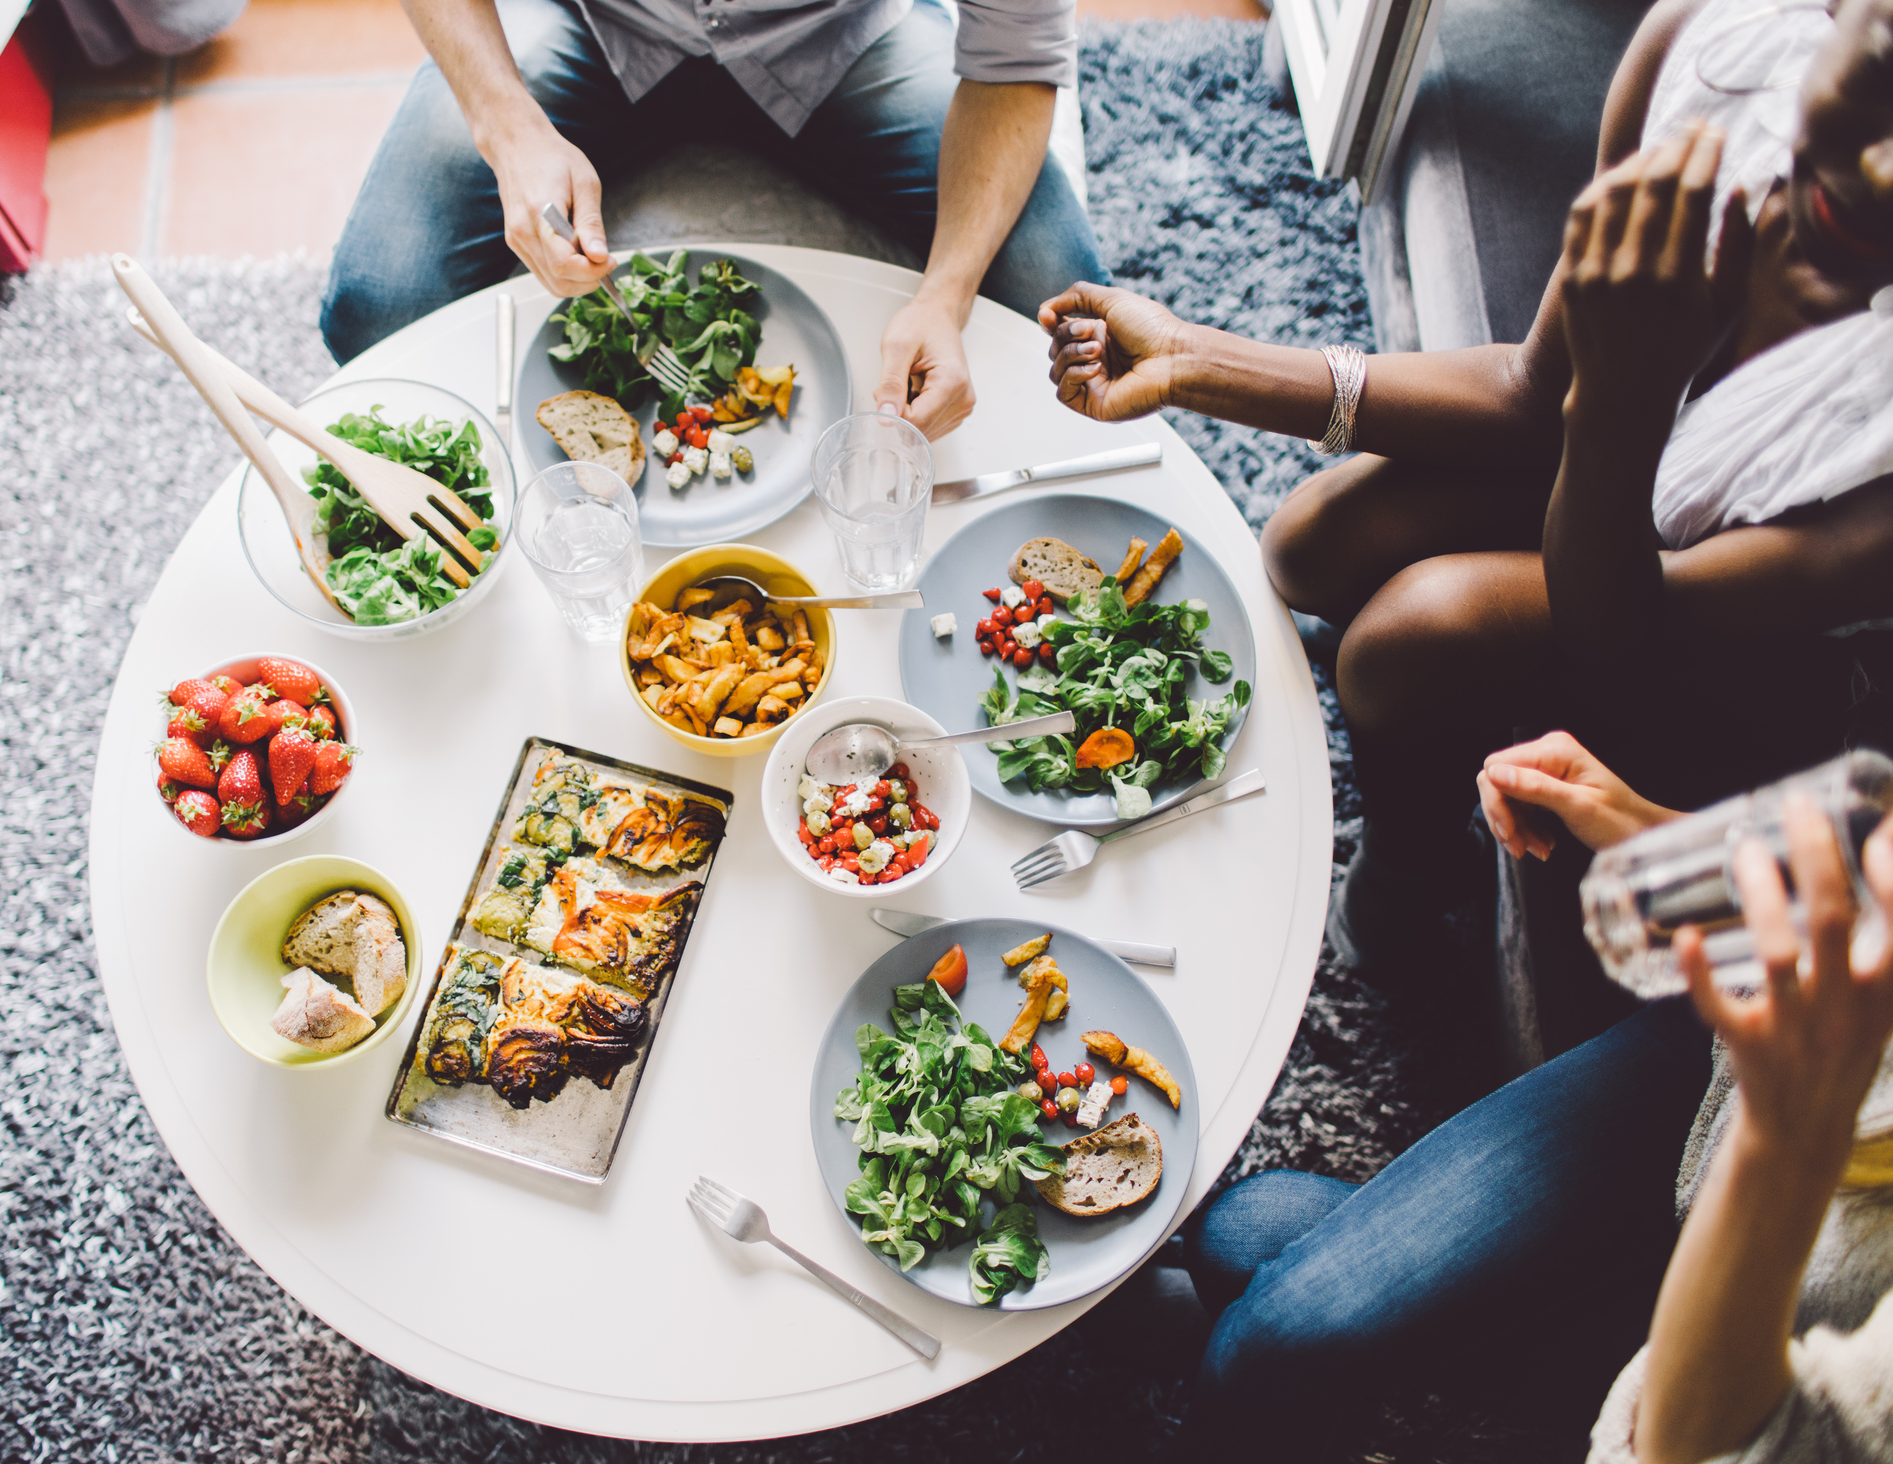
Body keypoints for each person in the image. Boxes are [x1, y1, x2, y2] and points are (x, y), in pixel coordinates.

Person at [1037, 0, 1893, 971]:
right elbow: (1532, 390)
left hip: (1755, 653)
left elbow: (1621, 633)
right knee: (1306, 541)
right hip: (1632, 466)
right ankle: (1419, 735)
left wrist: (1618, 405)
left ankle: (1416, 870)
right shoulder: (1708, 44)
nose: (1881, 169)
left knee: (1409, 637)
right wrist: (1197, 358)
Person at [1159, 730, 1893, 1463]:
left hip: (1767, 1302)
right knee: (1239, 1236)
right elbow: (1834, 895)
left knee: (1262, 1332)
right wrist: (1639, 824)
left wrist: (1780, 1140)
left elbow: (1690, 1454)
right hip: (1726, 1075)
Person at [320, 0, 1107, 441]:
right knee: (380, 300)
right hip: (591, 22)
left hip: (838, 39)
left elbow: (1017, 55)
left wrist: (947, 294)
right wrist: (507, 125)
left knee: (1060, 294)